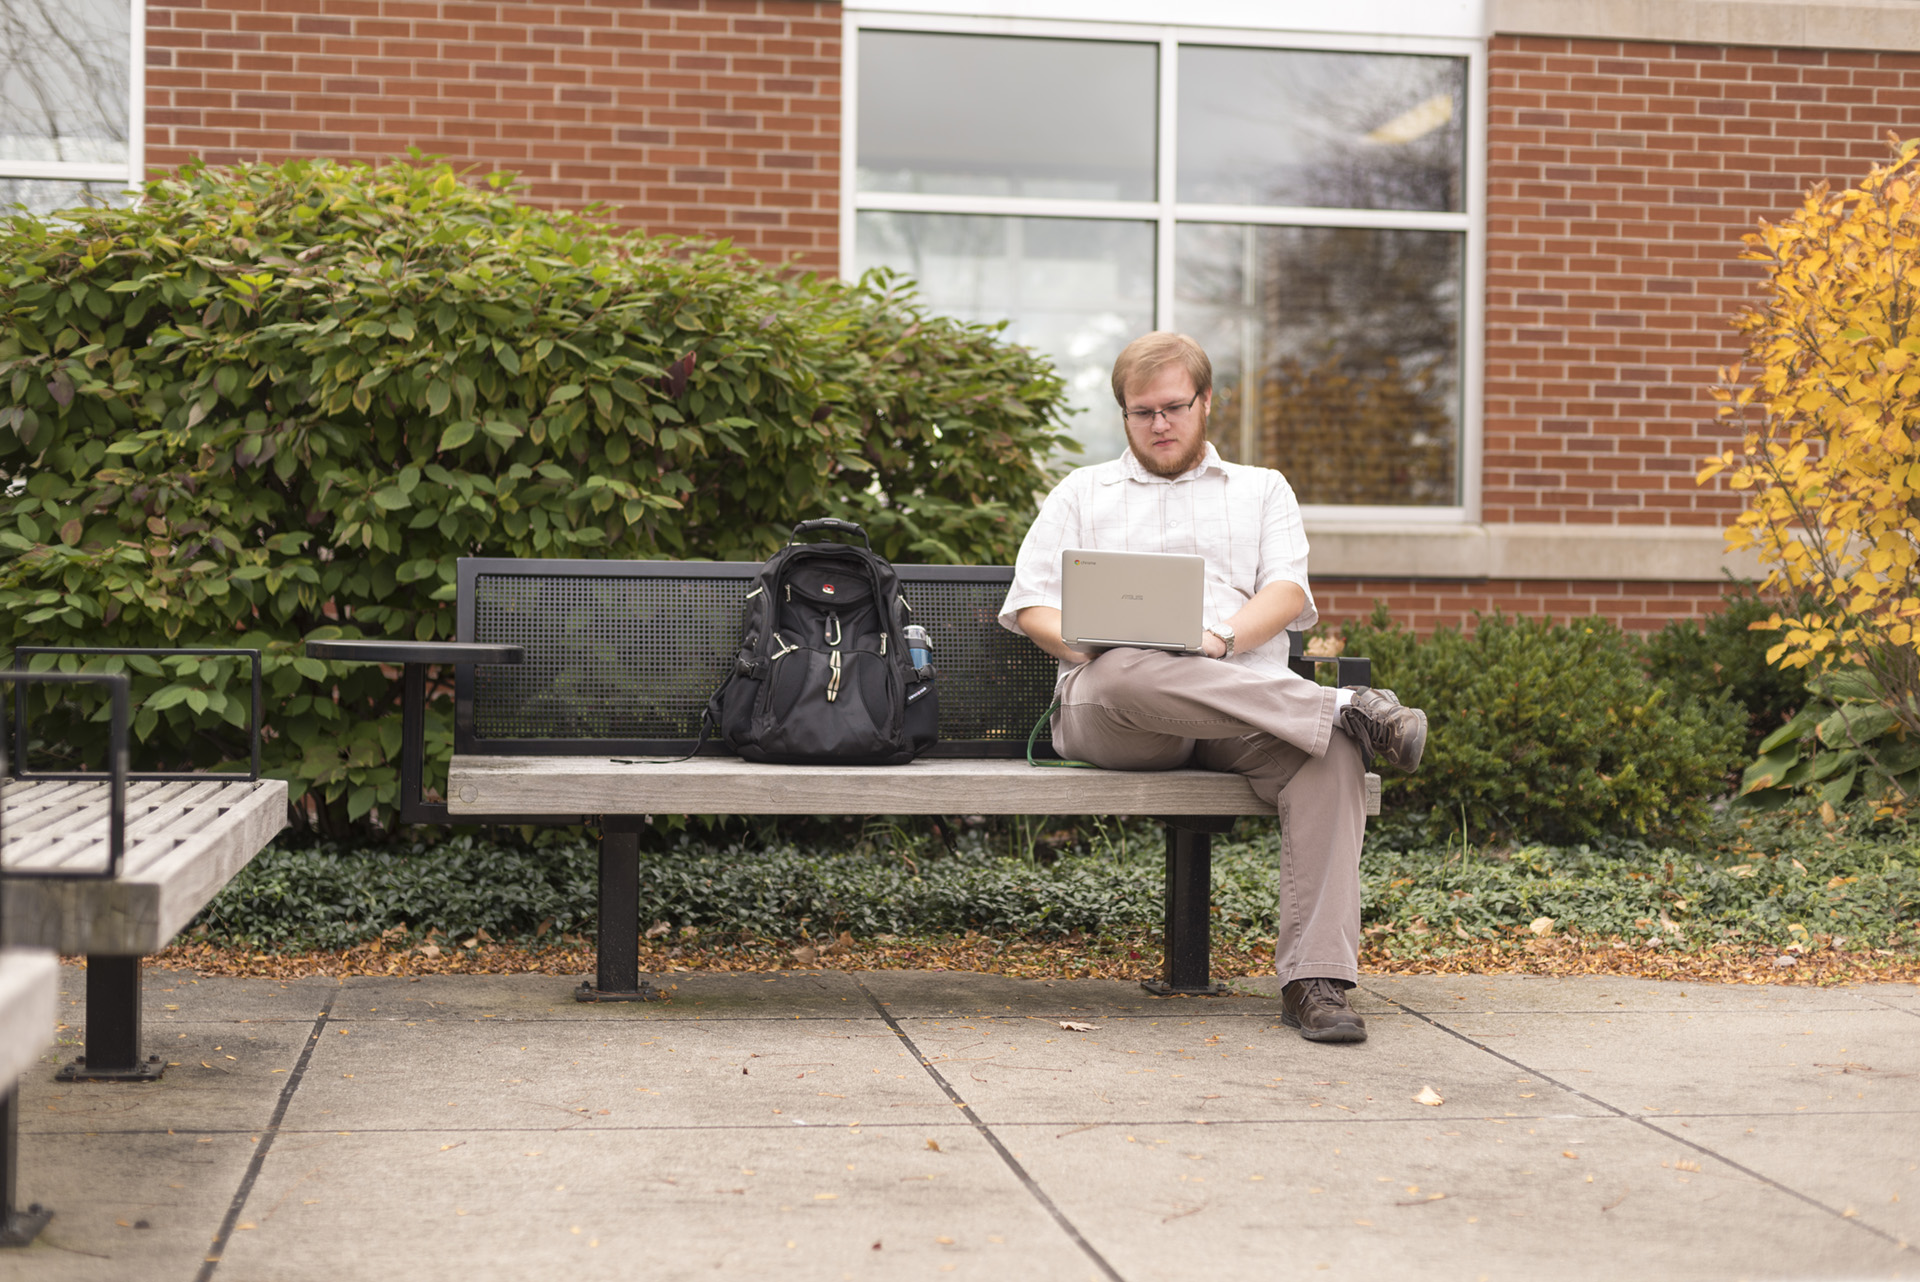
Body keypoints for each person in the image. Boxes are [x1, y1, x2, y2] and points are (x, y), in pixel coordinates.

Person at [997, 332, 1427, 1044]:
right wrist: (1091, 642)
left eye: (1173, 406)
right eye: (1142, 412)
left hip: (1235, 705)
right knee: (1131, 670)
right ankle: (1347, 708)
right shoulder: (1082, 493)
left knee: (1333, 755)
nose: (1159, 423)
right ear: (1123, 415)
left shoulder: (1262, 490)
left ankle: (1315, 982)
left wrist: (1218, 640)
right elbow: (1030, 604)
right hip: (1118, 710)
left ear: (1205, 403)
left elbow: (1287, 592)